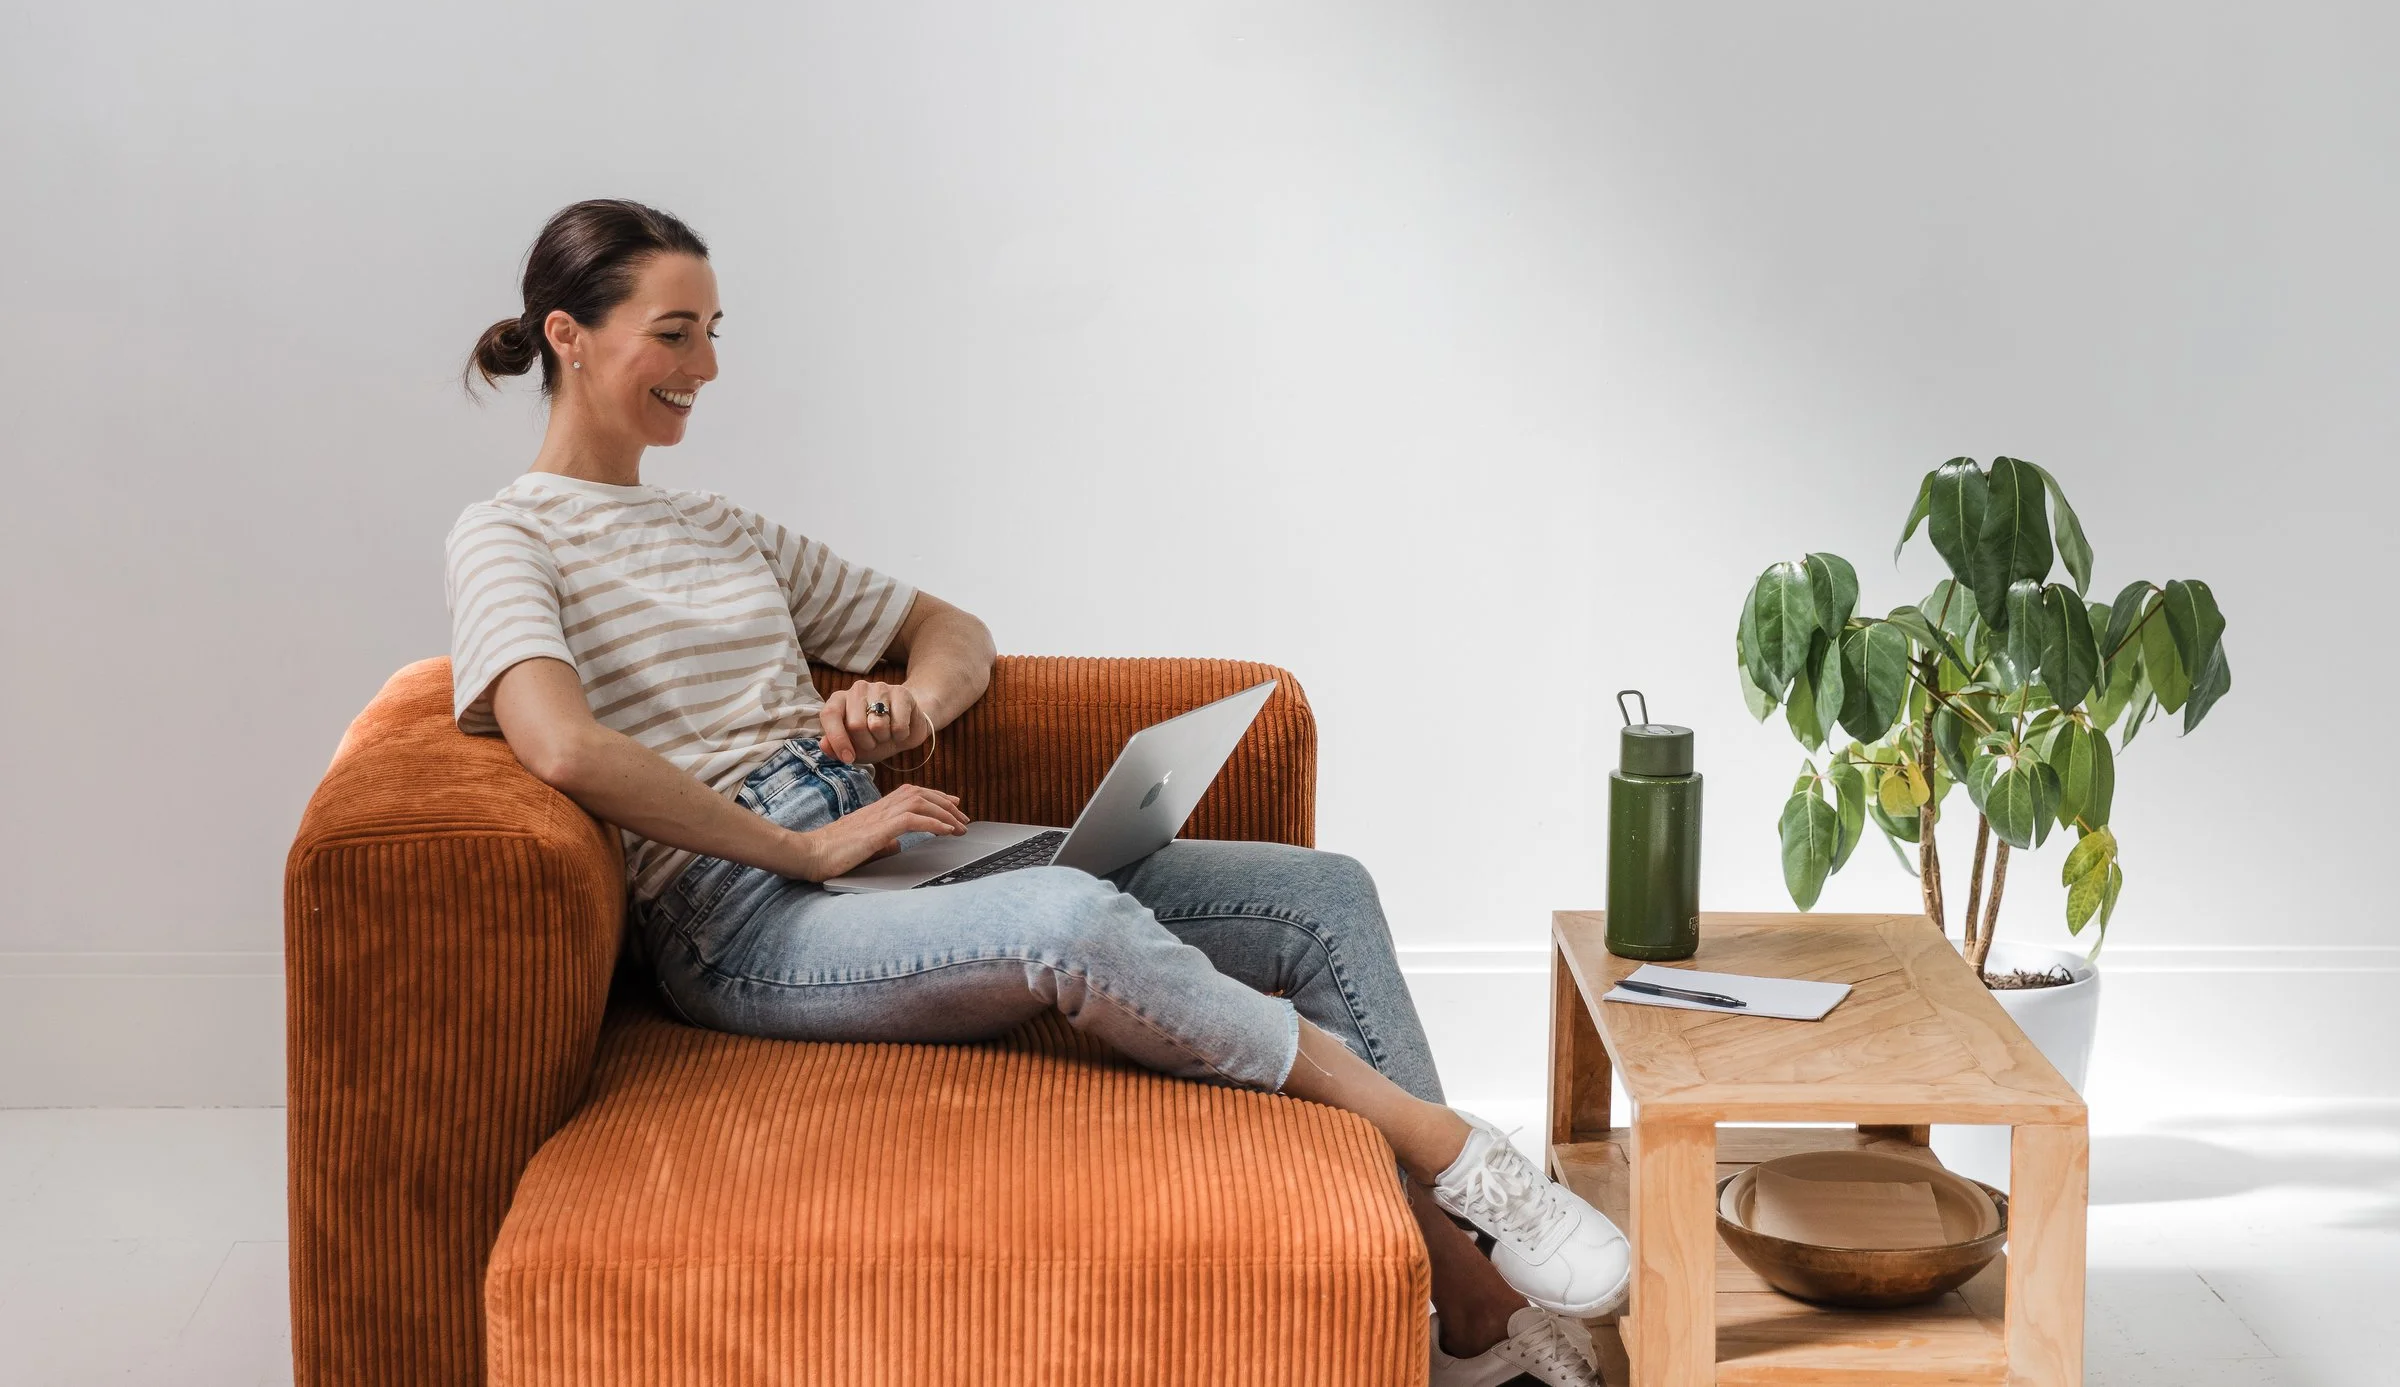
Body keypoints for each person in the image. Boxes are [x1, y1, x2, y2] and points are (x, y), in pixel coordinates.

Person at [449, 199, 1629, 1387]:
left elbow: (948, 627)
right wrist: (797, 849)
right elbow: (560, 745)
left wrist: (910, 704)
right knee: (1066, 918)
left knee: (1318, 893)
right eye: (675, 332)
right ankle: (1467, 1169)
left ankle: (1464, 1308)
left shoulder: (720, 524)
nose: (706, 366)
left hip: (875, 854)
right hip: (742, 910)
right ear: (568, 333)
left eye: (713, 331)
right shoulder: (506, 536)